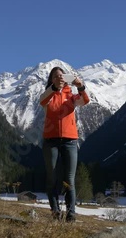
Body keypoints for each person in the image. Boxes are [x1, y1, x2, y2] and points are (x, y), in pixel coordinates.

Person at [39, 66, 90, 222]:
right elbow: (42, 101)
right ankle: (55, 212)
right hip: (50, 141)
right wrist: (54, 88)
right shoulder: (48, 95)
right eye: (55, 76)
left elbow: (85, 100)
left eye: (62, 76)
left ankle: (71, 214)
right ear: (51, 79)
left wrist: (80, 85)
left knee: (69, 179)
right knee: (52, 178)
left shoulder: (72, 97)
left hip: (70, 140)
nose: (59, 78)